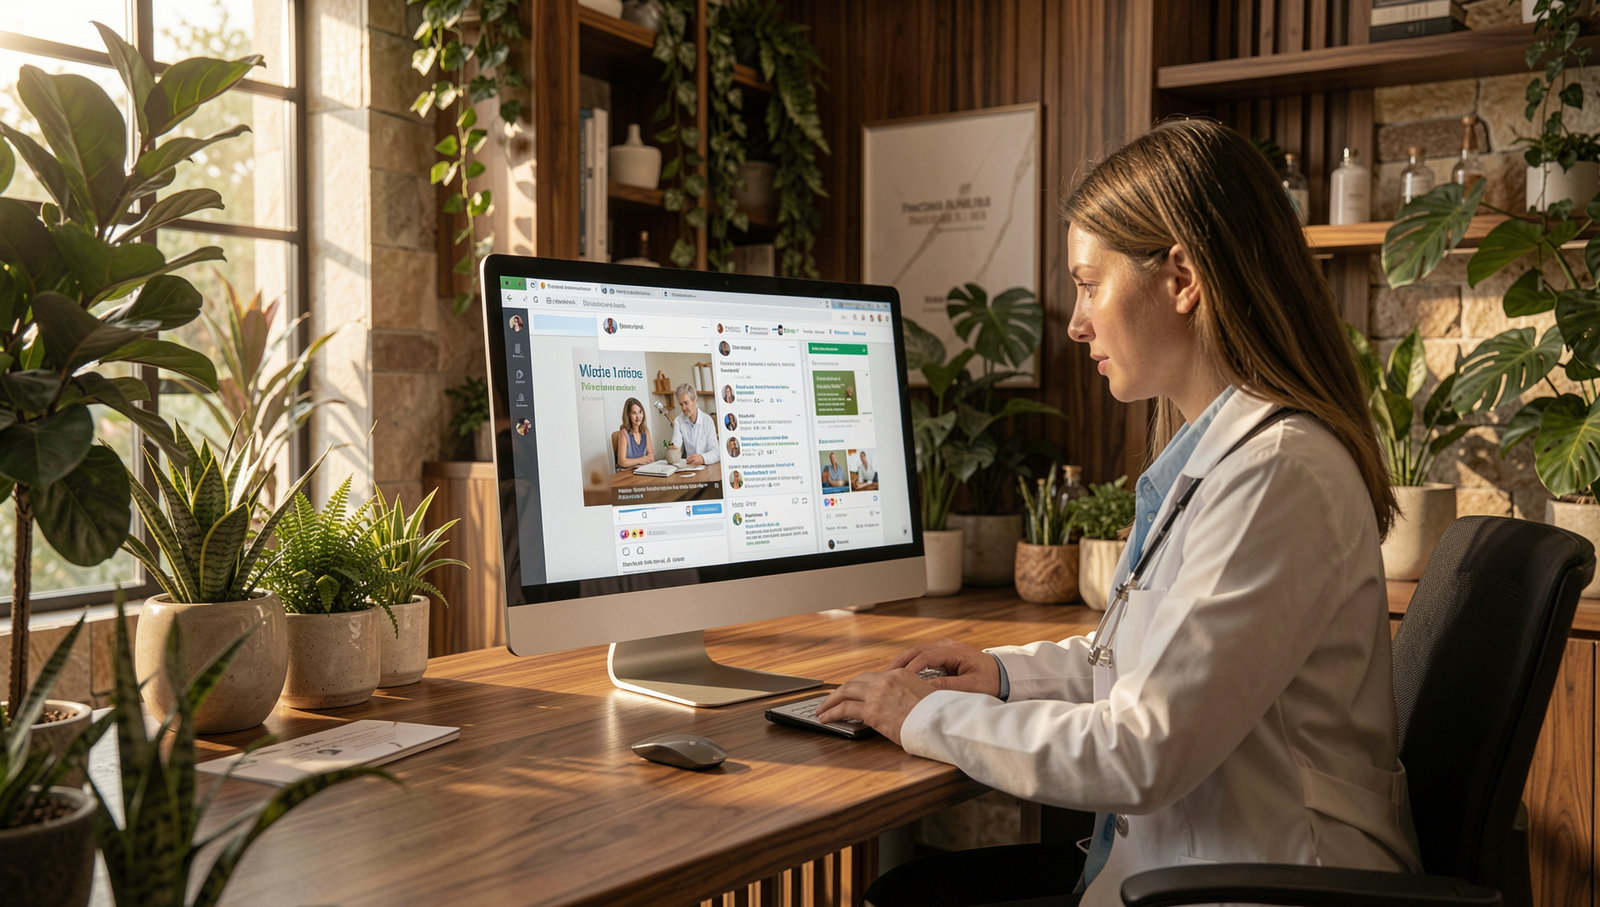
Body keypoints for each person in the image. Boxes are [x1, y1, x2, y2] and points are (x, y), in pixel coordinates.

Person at [815, 119, 1418, 907]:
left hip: (1256, 884)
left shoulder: (1276, 472)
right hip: (1195, 864)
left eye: (1090, 283)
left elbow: (1141, 747)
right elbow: (1146, 663)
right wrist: (1000, 676)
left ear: (1181, 278)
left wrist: (925, 714)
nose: (1074, 320)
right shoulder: (1226, 455)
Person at [670, 384, 720, 466]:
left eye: (686, 403)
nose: (683, 408)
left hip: (707, 466)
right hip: (689, 467)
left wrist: (702, 458)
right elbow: (676, 445)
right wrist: (672, 448)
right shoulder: (678, 421)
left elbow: (716, 452)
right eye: (681, 404)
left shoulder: (707, 421)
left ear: (695, 401)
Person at [614, 397, 654, 470]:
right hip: (625, 473)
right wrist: (640, 460)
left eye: (640, 412)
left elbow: (651, 456)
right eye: (634, 413)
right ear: (628, 415)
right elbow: (622, 462)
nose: (638, 417)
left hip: (641, 470)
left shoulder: (645, 431)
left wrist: (644, 460)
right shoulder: (624, 433)